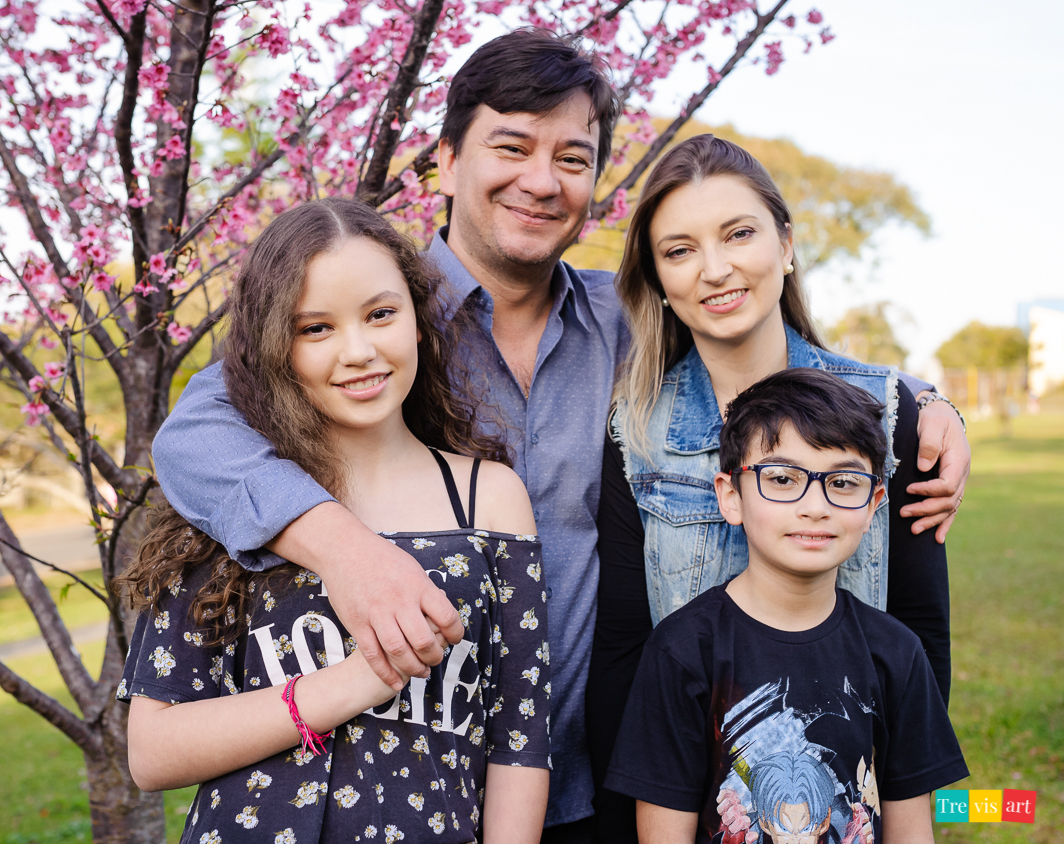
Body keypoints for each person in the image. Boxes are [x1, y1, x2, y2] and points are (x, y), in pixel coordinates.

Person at [150, 31, 971, 839]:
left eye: (572, 159)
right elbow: (195, 433)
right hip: (403, 775)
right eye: (511, 147)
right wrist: (346, 552)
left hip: (592, 783)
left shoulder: (635, 321)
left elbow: (768, 353)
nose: (541, 181)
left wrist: (926, 403)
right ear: (446, 162)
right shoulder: (375, 317)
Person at [116, 198, 551, 842]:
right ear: (275, 349)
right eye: (315, 328)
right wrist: (353, 684)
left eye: (380, 314)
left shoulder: (488, 498)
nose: (358, 351)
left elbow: (519, 742)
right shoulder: (235, 499)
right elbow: (152, 753)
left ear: (419, 321)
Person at [588, 135, 957, 840]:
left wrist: (900, 795)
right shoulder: (634, 432)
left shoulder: (895, 415)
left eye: (739, 234)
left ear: (786, 245)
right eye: (679, 250)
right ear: (658, 279)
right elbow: (622, 648)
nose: (715, 269)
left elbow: (921, 630)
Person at [604, 369, 969, 843]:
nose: (815, 506)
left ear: (873, 502)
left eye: (843, 482)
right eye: (781, 478)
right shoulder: (681, 652)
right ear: (731, 497)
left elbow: (911, 828)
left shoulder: (898, 654)